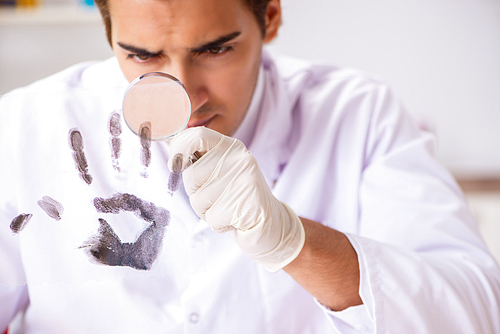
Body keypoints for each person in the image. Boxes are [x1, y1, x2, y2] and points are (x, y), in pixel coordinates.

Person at [1, 0, 499, 332]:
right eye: (142, 55)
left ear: (272, 17)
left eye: (215, 49)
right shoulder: (26, 126)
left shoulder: (358, 113)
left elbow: (475, 313)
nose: (184, 93)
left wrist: (295, 243)